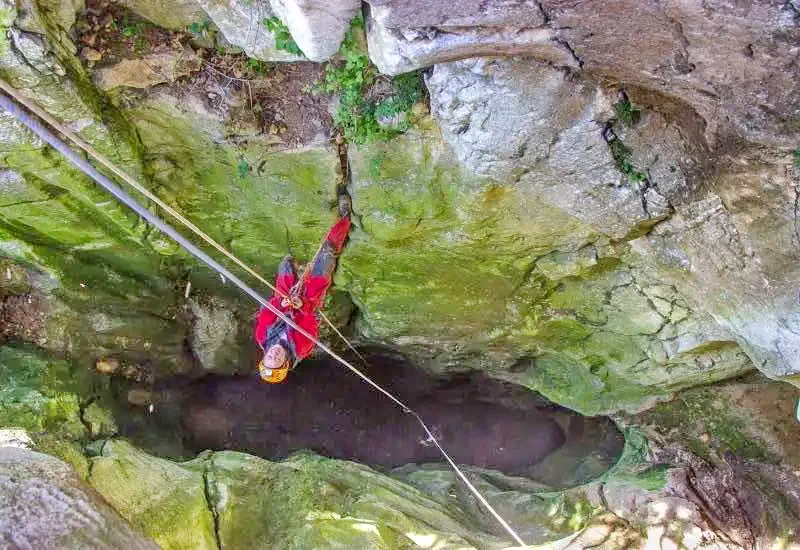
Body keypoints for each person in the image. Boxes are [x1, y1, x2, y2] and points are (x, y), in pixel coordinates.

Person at [253, 193, 351, 383]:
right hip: (308, 302)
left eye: (269, 358)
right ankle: (345, 217)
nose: (274, 355)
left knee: (285, 263)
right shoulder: (302, 347)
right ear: (285, 363)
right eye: (277, 360)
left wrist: (280, 303)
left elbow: (267, 311)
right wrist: (301, 304)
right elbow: (312, 319)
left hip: (283, 298)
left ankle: (297, 267)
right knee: (327, 252)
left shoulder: (262, 336)